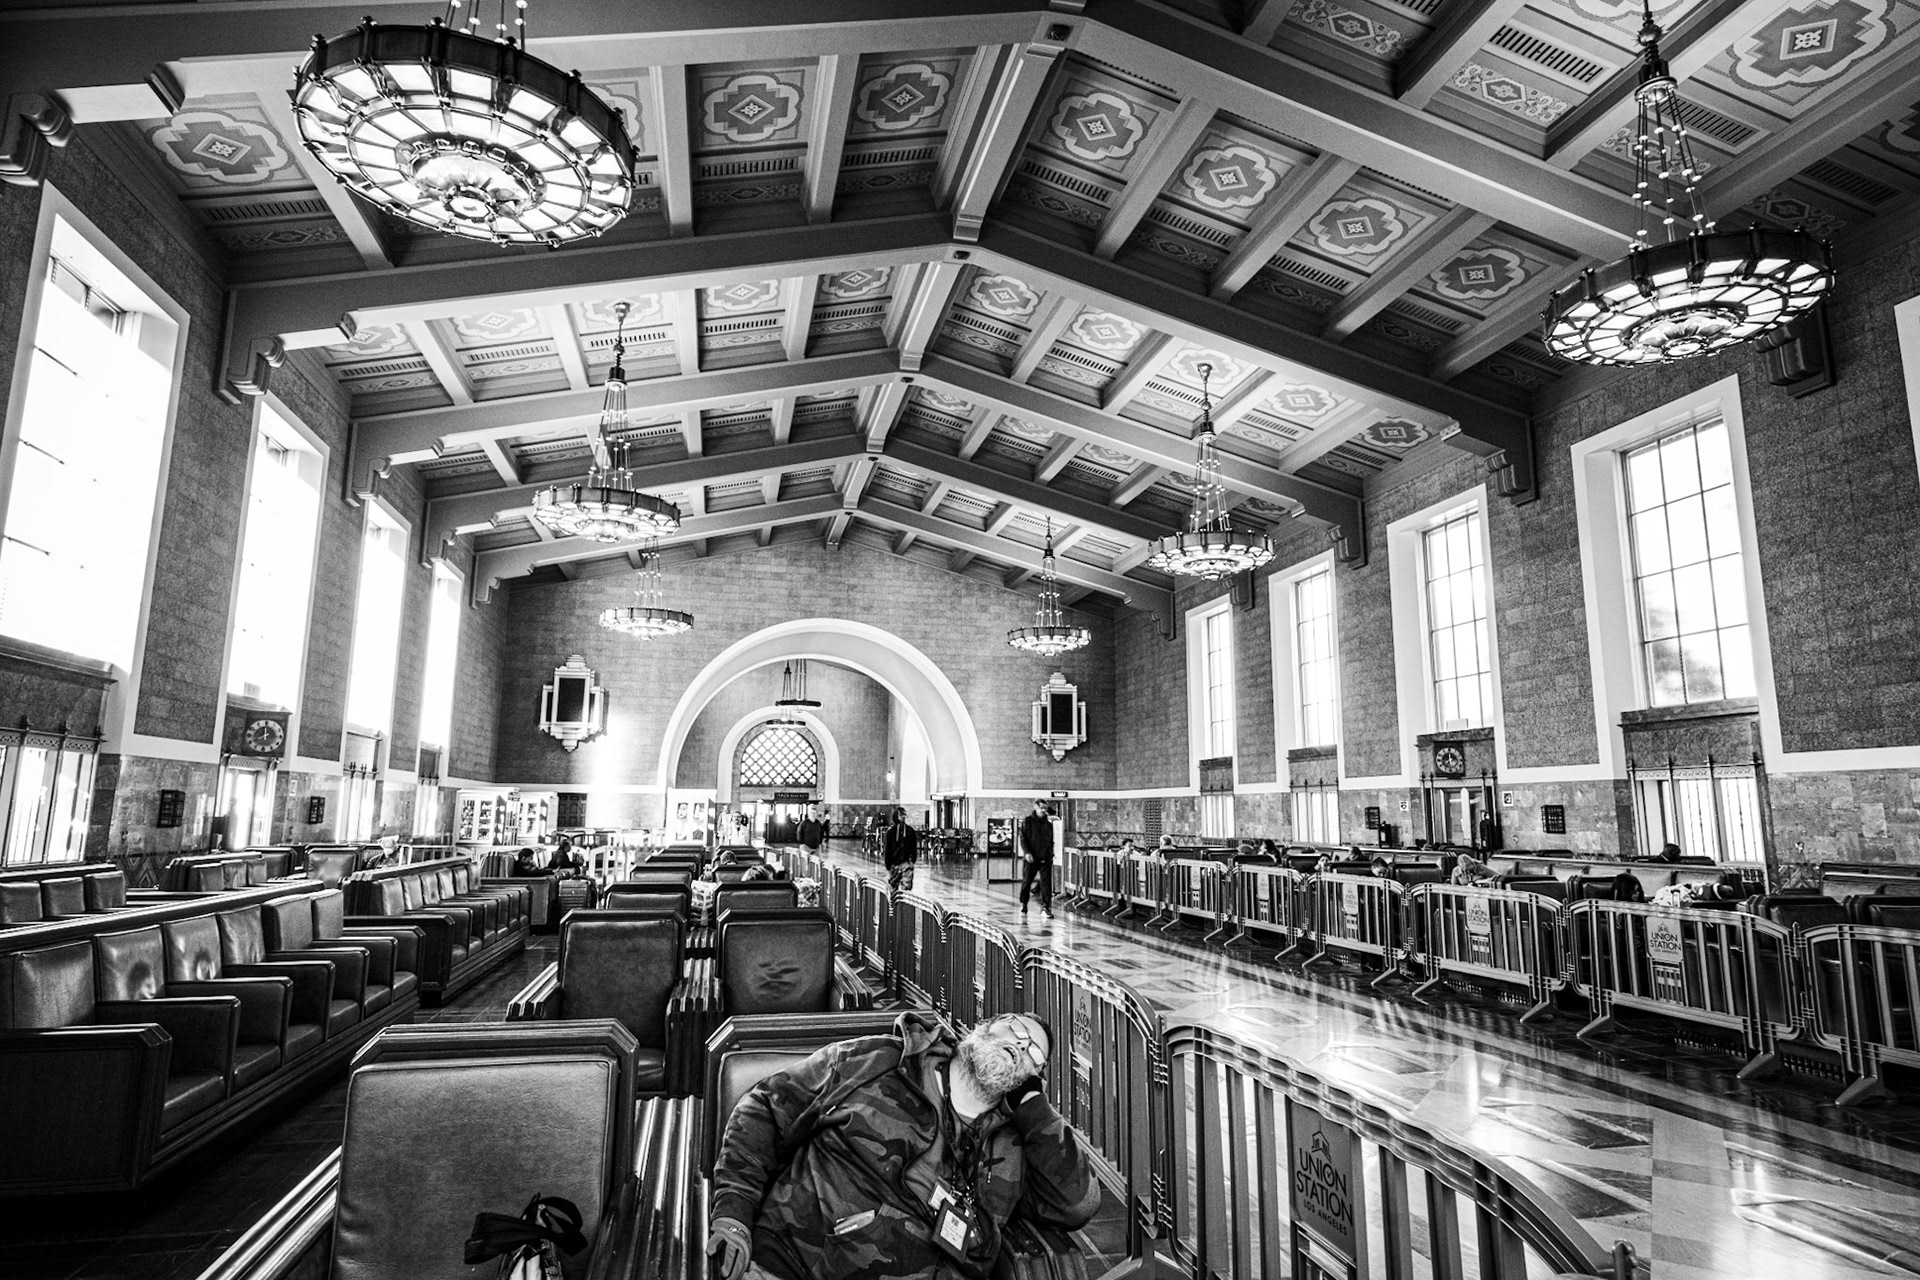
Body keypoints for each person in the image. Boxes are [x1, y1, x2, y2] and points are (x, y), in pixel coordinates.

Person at [705, 1010, 1099, 1280]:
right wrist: (734, 1211)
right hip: (795, 1264)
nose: (1021, 1045)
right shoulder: (875, 1062)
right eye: (1016, 1029)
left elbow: (1076, 1203)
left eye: (1034, 1054)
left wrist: (1035, 1110)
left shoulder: (1013, 1145)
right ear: (984, 1027)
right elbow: (764, 1110)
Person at [1018, 800, 1055, 919]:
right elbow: (1023, 839)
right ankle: (1024, 904)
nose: (1044, 810)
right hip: (1031, 858)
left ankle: (1046, 907)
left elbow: (1050, 841)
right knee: (1027, 882)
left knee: (1046, 884)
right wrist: (1027, 853)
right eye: (1041, 808)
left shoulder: (1048, 824)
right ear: (1035, 807)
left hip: (1045, 858)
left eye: (1045, 808)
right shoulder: (1027, 821)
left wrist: (1050, 854)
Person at [882, 808, 919, 895]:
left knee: (906, 890)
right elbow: (887, 849)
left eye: (904, 815)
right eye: (900, 815)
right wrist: (888, 864)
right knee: (892, 888)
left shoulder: (910, 831)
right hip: (894, 864)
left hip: (906, 863)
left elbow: (914, 847)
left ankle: (904, 907)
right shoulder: (891, 832)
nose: (902, 817)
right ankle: (894, 907)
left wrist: (912, 860)